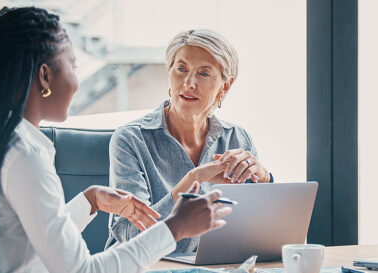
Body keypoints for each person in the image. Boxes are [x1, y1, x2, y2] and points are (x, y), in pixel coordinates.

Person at [0, 7, 231, 273]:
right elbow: (80, 271)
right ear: (45, 77)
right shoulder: (24, 155)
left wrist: (89, 201)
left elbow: (32, 246)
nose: (77, 81)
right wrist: (174, 227)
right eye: (73, 67)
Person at [106, 29, 272, 253]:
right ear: (169, 72)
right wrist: (192, 181)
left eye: (204, 74)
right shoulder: (130, 140)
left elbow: (262, 230)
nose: (188, 82)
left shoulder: (237, 139)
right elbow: (131, 236)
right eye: (181, 69)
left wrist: (264, 179)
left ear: (225, 86)